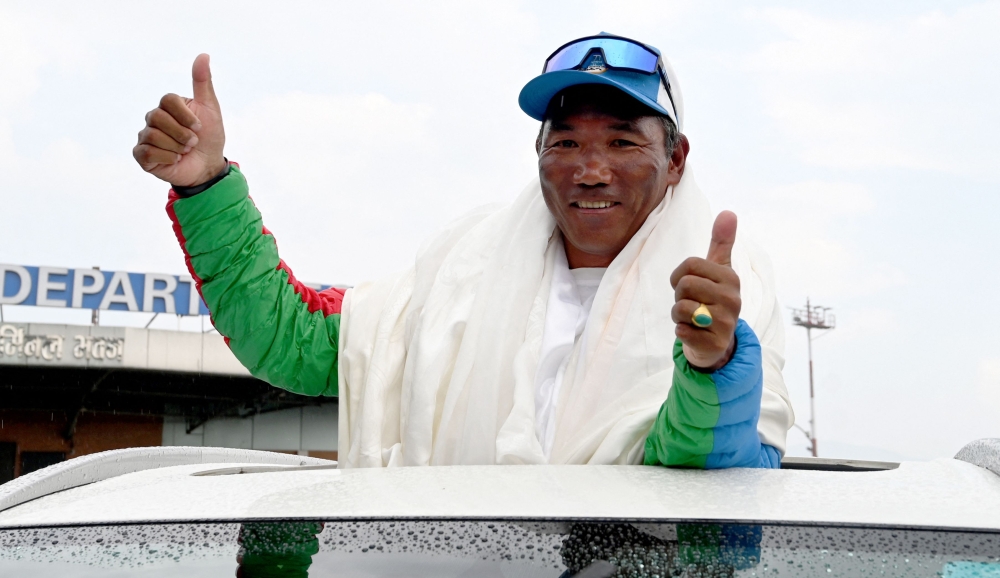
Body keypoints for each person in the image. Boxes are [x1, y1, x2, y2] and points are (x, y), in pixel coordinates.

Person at [133, 34, 793, 468]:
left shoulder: (726, 299)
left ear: (675, 159)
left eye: (622, 142)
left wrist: (714, 366)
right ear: (537, 154)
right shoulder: (461, 274)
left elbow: (715, 482)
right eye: (565, 143)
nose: (590, 171)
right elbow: (292, 339)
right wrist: (206, 185)